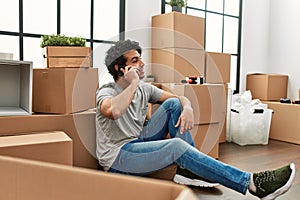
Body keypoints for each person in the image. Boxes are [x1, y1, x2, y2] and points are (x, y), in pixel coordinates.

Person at [95, 39, 295, 199]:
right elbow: (114, 111)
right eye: (135, 61)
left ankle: (188, 171)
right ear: (121, 69)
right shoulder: (107, 91)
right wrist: (132, 84)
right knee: (175, 147)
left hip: (138, 142)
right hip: (119, 159)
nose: (142, 63)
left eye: (140, 59)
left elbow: (177, 99)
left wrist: (187, 107)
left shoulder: (144, 88)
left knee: (174, 105)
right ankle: (250, 183)